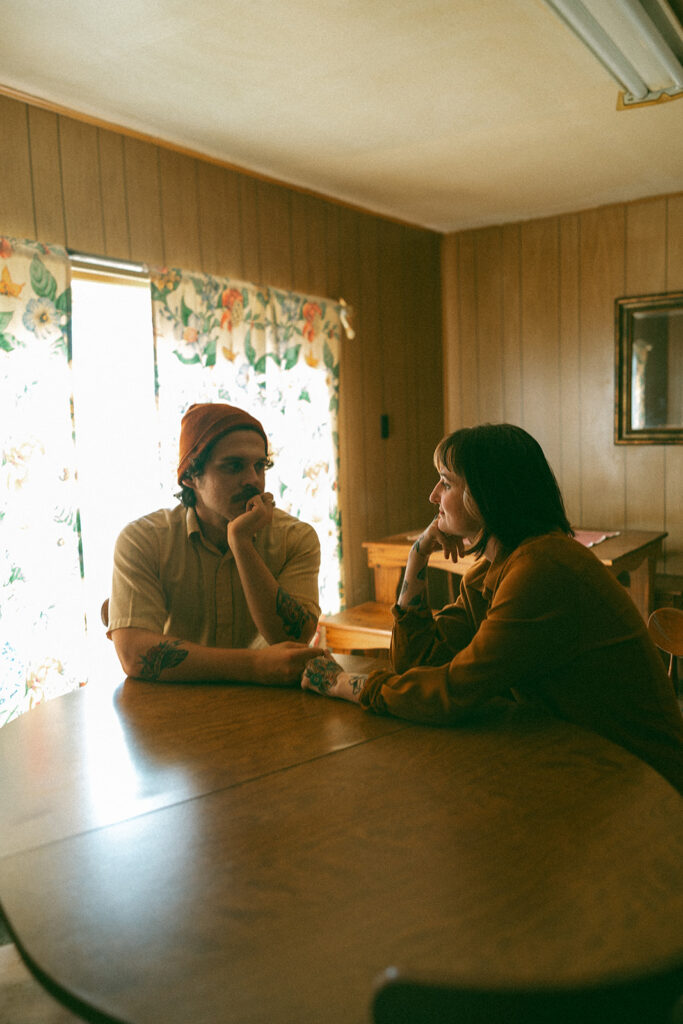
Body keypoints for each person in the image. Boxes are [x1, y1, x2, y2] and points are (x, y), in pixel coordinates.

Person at [302, 423, 683, 793]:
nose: (433, 495)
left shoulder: (541, 569)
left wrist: (344, 683)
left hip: (645, 781)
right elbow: (418, 664)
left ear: (487, 495)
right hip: (578, 759)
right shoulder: (497, 569)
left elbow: (452, 693)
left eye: (447, 483)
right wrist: (417, 556)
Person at [108, 402, 324, 685]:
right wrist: (255, 666)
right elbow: (134, 654)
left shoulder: (295, 537)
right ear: (189, 477)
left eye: (260, 465)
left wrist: (241, 543)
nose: (253, 480)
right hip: (174, 706)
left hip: (269, 705)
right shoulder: (144, 540)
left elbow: (292, 640)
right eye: (233, 467)